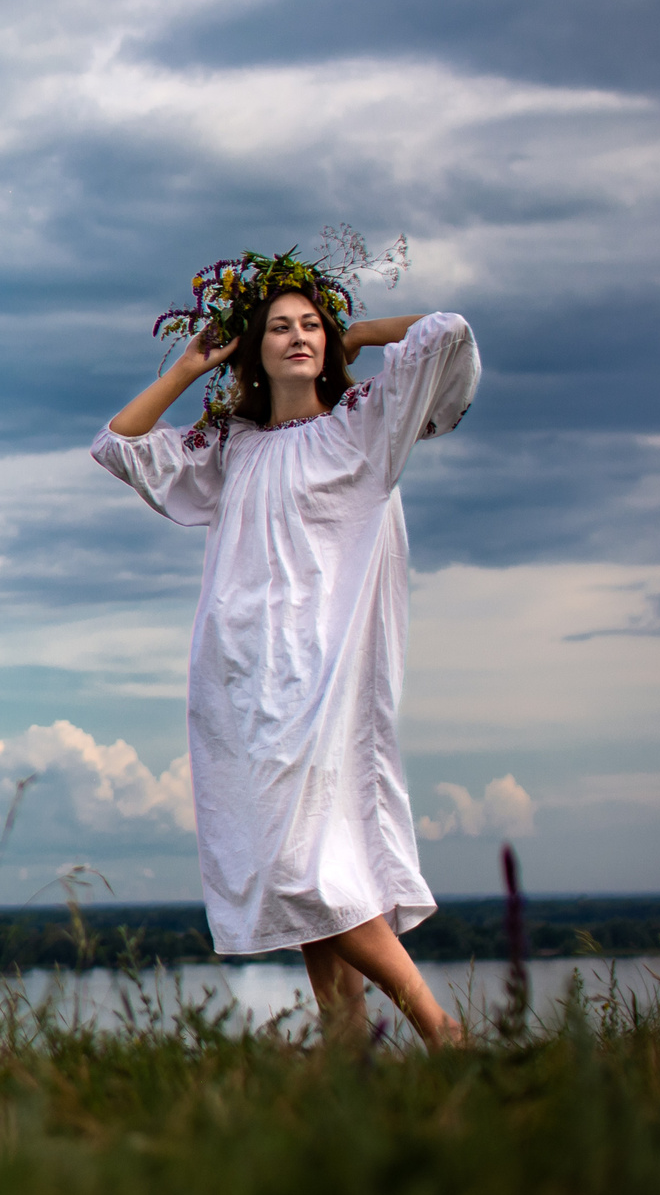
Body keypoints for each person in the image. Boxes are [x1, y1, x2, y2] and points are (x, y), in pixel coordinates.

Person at [93, 250, 479, 1047]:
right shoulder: (231, 448)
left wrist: (356, 336)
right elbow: (120, 443)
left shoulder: (365, 424)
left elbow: (448, 332)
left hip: (324, 675)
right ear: (253, 348)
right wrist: (188, 366)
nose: (297, 337)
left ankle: (441, 1028)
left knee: (303, 864)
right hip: (239, 677)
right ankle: (345, 1042)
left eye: (309, 324)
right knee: (288, 859)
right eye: (279, 326)